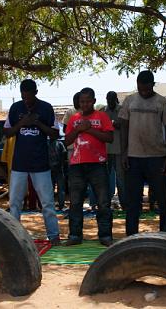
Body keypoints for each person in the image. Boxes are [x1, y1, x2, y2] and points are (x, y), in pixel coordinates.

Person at [4, 79, 61, 244]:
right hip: (19, 164)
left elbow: (55, 134)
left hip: (40, 164)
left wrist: (36, 122)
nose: (26, 100)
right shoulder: (16, 108)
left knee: (47, 203)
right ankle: (14, 237)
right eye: (23, 96)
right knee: (14, 202)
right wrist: (22, 123)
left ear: (36, 93)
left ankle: (54, 236)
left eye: (29, 96)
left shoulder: (46, 108)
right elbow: (7, 132)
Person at [119, 70, 166, 235]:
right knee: (133, 202)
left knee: (162, 200)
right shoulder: (129, 101)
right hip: (133, 158)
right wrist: (124, 153)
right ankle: (131, 236)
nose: (143, 91)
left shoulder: (163, 102)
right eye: (140, 88)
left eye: (147, 88)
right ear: (137, 85)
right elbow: (123, 127)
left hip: (157, 158)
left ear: (153, 84)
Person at [64, 87, 114, 246]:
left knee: (103, 201)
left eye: (87, 101)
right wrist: (78, 130)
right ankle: (75, 235)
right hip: (76, 165)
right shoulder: (74, 119)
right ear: (79, 102)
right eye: (82, 101)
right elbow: (66, 141)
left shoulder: (102, 116)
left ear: (93, 101)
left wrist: (90, 129)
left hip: (97, 164)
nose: (84, 104)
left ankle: (105, 236)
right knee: (75, 202)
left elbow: (109, 138)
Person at [104, 91, 126, 209]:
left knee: (121, 179)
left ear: (116, 99)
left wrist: (117, 124)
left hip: (119, 149)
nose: (110, 101)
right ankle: (105, 203)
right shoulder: (103, 111)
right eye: (108, 99)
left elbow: (125, 125)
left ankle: (124, 204)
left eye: (112, 99)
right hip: (106, 150)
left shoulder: (122, 110)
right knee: (105, 179)